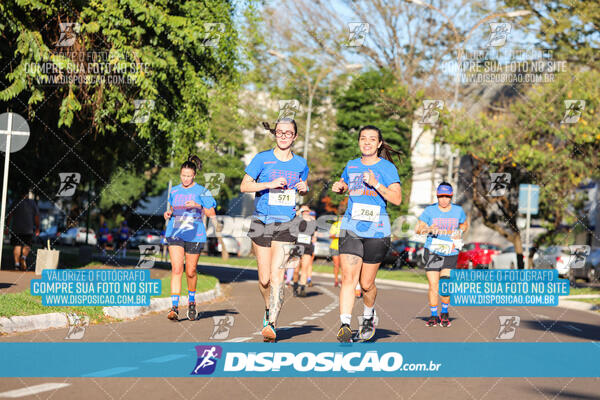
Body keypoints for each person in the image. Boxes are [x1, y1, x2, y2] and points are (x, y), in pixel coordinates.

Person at [331, 125, 402, 342]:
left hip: (377, 230)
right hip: (352, 227)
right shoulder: (351, 165)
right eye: (363, 138)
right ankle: (344, 324)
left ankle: (369, 316)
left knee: (367, 284)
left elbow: (397, 199)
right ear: (359, 142)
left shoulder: (387, 168)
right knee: (348, 279)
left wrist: (376, 183)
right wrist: (340, 187)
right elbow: (346, 184)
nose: (367, 142)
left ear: (379, 144)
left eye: (372, 139)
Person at [240, 118, 309, 342]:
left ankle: (272, 324)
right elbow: (244, 185)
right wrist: (268, 184)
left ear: (295, 137)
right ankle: (268, 308)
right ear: (275, 134)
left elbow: (303, 187)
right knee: (264, 280)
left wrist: (304, 188)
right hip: (261, 221)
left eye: (288, 133)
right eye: (280, 132)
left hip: (286, 223)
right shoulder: (262, 159)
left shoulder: (300, 164)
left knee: (277, 276)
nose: (283, 136)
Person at [164, 155, 218, 321]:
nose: (185, 178)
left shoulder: (203, 191)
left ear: (194, 175)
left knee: (191, 271)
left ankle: (192, 302)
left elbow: (212, 213)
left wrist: (198, 206)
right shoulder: (174, 191)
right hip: (175, 232)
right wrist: (169, 213)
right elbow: (173, 208)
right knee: (176, 269)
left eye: (188, 176)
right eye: (183, 175)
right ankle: (174, 308)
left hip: (195, 234)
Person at [415, 182, 468, 328]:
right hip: (433, 250)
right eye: (441, 196)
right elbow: (418, 229)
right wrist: (429, 229)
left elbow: (464, 224)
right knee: (433, 284)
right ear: (437, 196)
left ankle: (444, 313)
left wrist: (460, 232)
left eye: (447, 196)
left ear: (451, 197)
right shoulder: (430, 211)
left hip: (450, 250)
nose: (444, 200)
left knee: (445, 283)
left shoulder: (458, 211)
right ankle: (433, 315)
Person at [6, 189, 40, 271]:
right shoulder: (32, 203)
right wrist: (37, 227)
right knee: (27, 245)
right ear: (27, 195)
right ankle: (23, 257)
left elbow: (10, 215)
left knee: (17, 246)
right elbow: (36, 216)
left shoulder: (15, 202)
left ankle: (17, 265)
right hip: (28, 228)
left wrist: (7, 226)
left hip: (16, 228)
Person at [292, 206, 317, 297]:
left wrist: (314, 245)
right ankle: (295, 286)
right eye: (304, 210)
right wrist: (299, 211)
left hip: (308, 247)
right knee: (296, 269)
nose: (305, 212)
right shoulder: (297, 220)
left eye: (307, 210)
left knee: (305, 268)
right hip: (298, 246)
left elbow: (315, 235)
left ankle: (302, 288)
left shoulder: (313, 221)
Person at [329, 216, 342, 287]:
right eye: (341, 216)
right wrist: (338, 235)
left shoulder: (347, 225)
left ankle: (342, 280)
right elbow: (330, 235)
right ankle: (336, 280)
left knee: (343, 265)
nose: (342, 218)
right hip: (335, 246)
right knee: (336, 264)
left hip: (345, 247)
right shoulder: (335, 224)